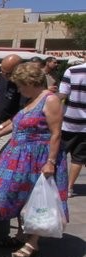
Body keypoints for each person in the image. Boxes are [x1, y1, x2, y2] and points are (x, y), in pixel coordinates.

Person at [0, 62, 69, 257]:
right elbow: (16, 122)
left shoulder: (50, 100)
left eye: (20, 86)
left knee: (35, 198)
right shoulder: (33, 99)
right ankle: (21, 234)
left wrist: (50, 162)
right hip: (21, 156)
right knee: (16, 195)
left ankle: (33, 241)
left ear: (30, 82)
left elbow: (56, 133)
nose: (19, 90)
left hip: (38, 157)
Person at [58, 62, 86, 198]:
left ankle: (57, 185)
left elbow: (63, 94)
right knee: (78, 158)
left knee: (59, 154)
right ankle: (69, 188)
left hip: (68, 121)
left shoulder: (72, 71)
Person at [0, 54, 25, 128]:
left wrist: (0, 128)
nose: (4, 75)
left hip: (9, 126)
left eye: (8, 74)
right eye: (1, 71)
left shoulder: (23, 85)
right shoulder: (3, 75)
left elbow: (21, 114)